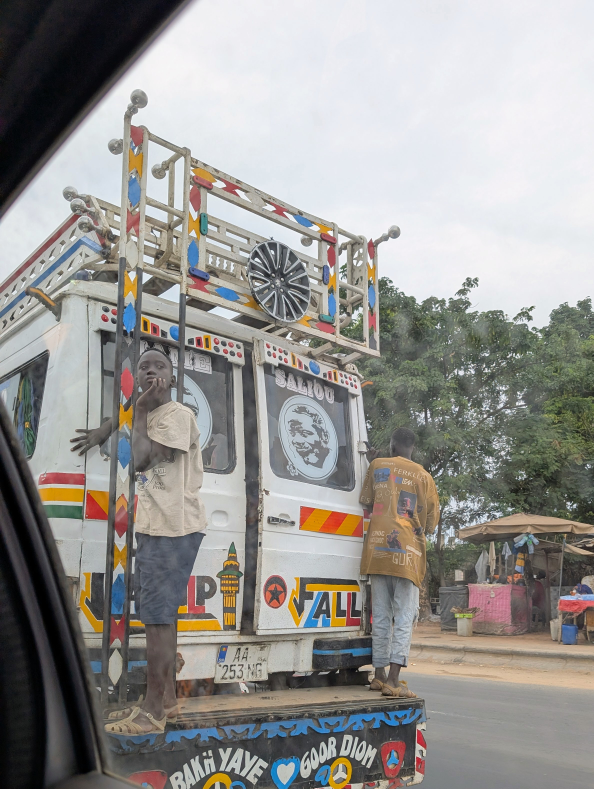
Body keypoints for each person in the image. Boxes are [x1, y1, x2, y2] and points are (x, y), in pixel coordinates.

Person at [72, 348, 207, 734]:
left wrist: (141, 410)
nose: (150, 371)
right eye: (143, 366)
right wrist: (106, 428)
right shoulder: (146, 412)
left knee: (156, 619)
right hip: (157, 528)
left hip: (173, 528)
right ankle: (166, 701)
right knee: (159, 616)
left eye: (159, 366)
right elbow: (129, 416)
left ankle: (152, 714)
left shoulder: (177, 416)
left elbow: (145, 458)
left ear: (172, 377)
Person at [360, 427, 439, 699]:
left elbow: (367, 503)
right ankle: (394, 680)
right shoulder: (423, 476)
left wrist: (374, 464)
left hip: (378, 552)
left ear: (392, 446)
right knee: (404, 617)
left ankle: (379, 675)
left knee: (380, 615)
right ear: (411, 449)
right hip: (407, 555)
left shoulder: (377, 466)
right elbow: (430, 521)